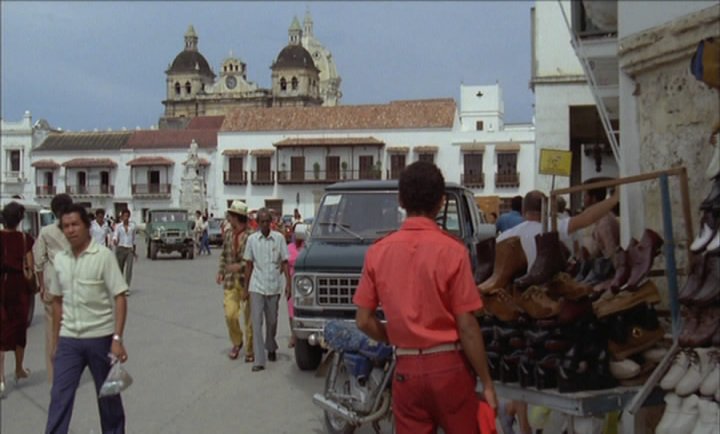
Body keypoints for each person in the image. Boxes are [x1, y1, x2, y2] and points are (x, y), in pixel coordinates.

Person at [353, 161, 497, 433]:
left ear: (400, 200)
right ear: (442, 203)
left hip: (406, 369)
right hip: (449, 368)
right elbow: (467, 326)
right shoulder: (453, 251)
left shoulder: (378, 252)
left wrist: (393, 336)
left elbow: (363, 320)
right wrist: (487, 382)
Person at [495, 189, 620, 434]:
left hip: (518, 309)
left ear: (523, 211)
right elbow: (587, 218)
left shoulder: (505, 237)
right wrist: (614, 199)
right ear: (544, 211)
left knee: (524, 374)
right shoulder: (550, 231)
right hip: (548, 309)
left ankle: (525, 429)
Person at [45, 204, 128, 434]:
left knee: (109, 397)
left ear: (86, 226)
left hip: (100, 338)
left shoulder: (103, 257)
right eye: (66, 226)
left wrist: (117, 338)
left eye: (75, 225)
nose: (70, 230)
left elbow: (120, 297)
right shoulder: (60, 260)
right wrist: (55, 343)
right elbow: (57, 301)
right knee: (59, 395)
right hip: (69, 340)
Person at [243, 208, 290, 372]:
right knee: (256, 323)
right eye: (261, 221)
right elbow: (248, 265)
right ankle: (259, 360)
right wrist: (245, 288)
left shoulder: (279, 239)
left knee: (272, 321)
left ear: (271, 222)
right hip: (256, 286)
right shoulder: (252, 240)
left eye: (266, 221)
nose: (264, 224)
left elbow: (285, 262)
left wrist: (288, 284)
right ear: (257, 222)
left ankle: (271, 345)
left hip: (273, 286)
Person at [34, 193, 73, 384]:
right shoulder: (75, 230)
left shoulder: (46, 231)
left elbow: (39, 261)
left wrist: (41, 285)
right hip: (72, 286)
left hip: (51, 284)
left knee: (51, 333)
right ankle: (70, 370)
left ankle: (53, 376)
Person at [0, 202, 34, 397]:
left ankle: (1, 379)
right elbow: (29, 264)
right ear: (20, 219)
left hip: (1, 285)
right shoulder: (24, 239)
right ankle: (19, 368)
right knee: (19, 328)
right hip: (18, 286)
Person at [216, 201, 254, 362]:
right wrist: (221, 271)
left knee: (249, 318)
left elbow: (254, 261)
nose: (228, 219)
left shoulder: (251, 237)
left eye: (230, 216)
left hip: (248, 282)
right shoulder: (229, 234)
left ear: (237, 217)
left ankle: (250, 349)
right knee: (230, 314)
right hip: (231, 282)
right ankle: (237, 341)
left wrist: (239, 266)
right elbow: (224, 254)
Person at [286, 224, 307, 348]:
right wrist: (287, 284)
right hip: (292, 282)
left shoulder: (307, 248)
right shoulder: (289, 248)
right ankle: (293, 334)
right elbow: (284, 266)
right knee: (291, 310)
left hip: (305, 285)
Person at [113, 209, 136, 293]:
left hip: (129, 249)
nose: (126, 218)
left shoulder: (132, 226)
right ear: (122, 217)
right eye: (124, 216)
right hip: (121, 248)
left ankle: (127, 287)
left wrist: (134, 251)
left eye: (127, 216)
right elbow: (115, 235)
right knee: (120, 268)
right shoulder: (118, 226)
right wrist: (115, 240)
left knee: (129, 269)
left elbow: (133, 239)